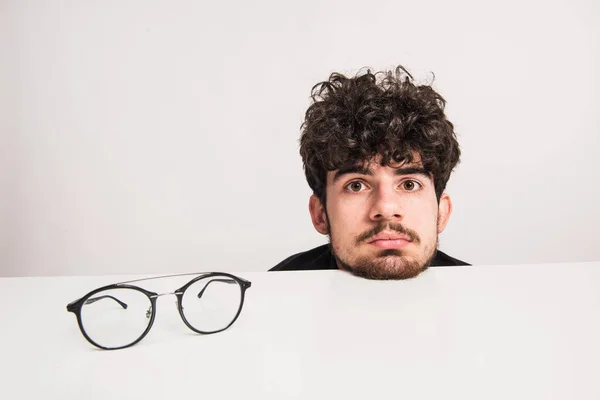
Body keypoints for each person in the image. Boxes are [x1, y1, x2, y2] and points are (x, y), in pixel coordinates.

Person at [270, 65, 469, 280]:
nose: (385, 208)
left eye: (409, 184)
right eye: (356, 185)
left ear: (442, 212)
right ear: (320, 215)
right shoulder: (266, 297)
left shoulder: (480, 298)